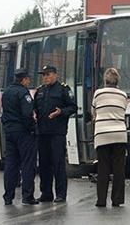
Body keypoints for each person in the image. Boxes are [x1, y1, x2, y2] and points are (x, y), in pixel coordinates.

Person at [34, 65, 77, 203]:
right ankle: (46, 193)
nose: (45, 77)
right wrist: (33, 114)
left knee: (58, 163)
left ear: (55, 75)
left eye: (48, 74)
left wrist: (61, 112)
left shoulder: (63, 89)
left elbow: (73, 107)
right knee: (44, 164)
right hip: (42, 132)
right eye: (43, 75)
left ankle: (61, 194)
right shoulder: (40, 91)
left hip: (57, 132)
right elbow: (34, 108)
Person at [2, 68, 38, 205]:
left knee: (11, 165)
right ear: (23, 79)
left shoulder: (7, 92)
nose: (29, 82)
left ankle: (8, 196)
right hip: (23, 133)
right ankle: (27, 196)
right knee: (28, 164)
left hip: (9, 132)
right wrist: (32, 129)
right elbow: (27, 114)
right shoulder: (23, 93)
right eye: (28, 79)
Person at [92, 68, 128, 207]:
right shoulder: (123, 95)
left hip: (102, 135)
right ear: (117, 81)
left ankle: (101, 201)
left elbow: (93, 112)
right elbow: (124, 111)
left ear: (105, 81)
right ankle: (117, 200)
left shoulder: (98, 93)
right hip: (119, 133)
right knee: (119, 168)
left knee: (103, 168)